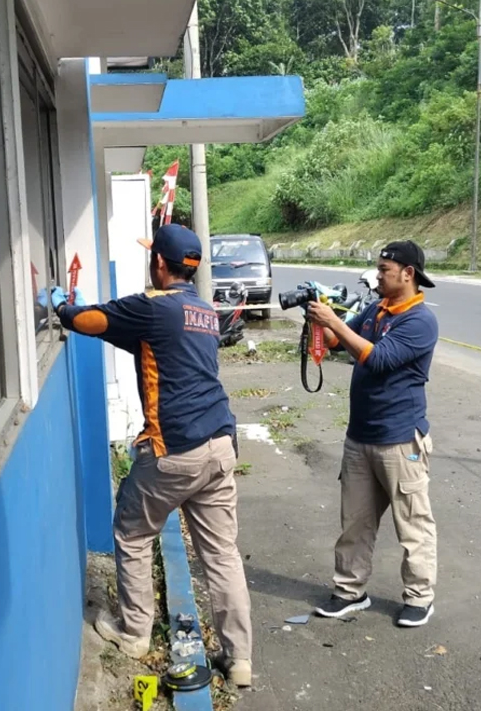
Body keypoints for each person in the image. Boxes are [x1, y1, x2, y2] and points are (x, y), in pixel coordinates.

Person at [50, 224, 254, 687]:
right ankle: (239, 658)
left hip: (173, 448)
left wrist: (60, 305)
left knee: (132, 531)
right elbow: (151, 346)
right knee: (221, 553)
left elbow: (86, 321)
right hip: (220, 444)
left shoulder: (152, 307)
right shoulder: (203, 310)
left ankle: (135, 631)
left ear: (159, 263)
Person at [303, 241, 441, 628]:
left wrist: (335, 323)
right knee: (355, 521)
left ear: (407, 274)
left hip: (400, 438)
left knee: (412, 523)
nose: (377, 276)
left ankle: (419, 597)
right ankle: (349, 590)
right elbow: (340, 344)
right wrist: (322, 325)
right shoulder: (377, 309)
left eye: (384, 270)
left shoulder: (420, 320)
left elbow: (377, 358)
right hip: (360, 436)